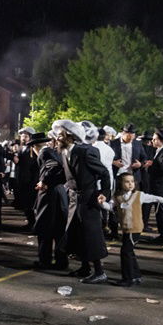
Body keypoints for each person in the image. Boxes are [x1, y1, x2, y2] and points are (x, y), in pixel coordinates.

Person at [52, 120, 111, 284]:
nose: (57, 137)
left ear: (70, 136)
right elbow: (66, 175)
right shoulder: (64, 152)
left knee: (92, 236)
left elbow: (104, 173)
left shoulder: (85, 152)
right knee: (77, 233)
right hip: (73, 198)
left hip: (88, 199)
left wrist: (104, 194)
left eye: (60, 134)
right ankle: (85, 267)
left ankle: (100, 272)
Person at [106, 172, 163, 287]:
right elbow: (109, 206)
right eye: (127, 182)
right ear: (120, 184)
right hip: (126, 229)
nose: (130, 184)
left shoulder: (139, 195)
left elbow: (155, 198)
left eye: (132, 181)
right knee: (129, 252)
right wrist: (101, 202)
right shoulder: (117, 197)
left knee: (126, 252)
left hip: (135, 229)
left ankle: (129, 278)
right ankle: (136, 276)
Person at [32, 131, 69, 270]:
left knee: (44, 227)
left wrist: (44, 180)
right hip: (59, 193)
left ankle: (44, 260)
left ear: (34, 146)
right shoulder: (55, 152)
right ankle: (61, 261)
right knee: (59, 228)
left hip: (49, 195)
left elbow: (54, 167)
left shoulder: (44, 152)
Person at [143, 129, 163, 243]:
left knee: (162, 212)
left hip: (161, 187)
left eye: (155, 139)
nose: (152, 141)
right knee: (162, 211)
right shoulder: (162, 150)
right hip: (161, 186)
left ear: (161, 140)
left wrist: (150, 167)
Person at [12, 127, 39, 229]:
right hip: (21, 179)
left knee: (31, 203)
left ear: (30, 137)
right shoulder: (20, 148)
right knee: (25, 203)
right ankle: (30, 222)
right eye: (22, 136)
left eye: (26, 136)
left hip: (31, 180)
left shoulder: (33, 149)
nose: (23, 138)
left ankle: (34, 224)